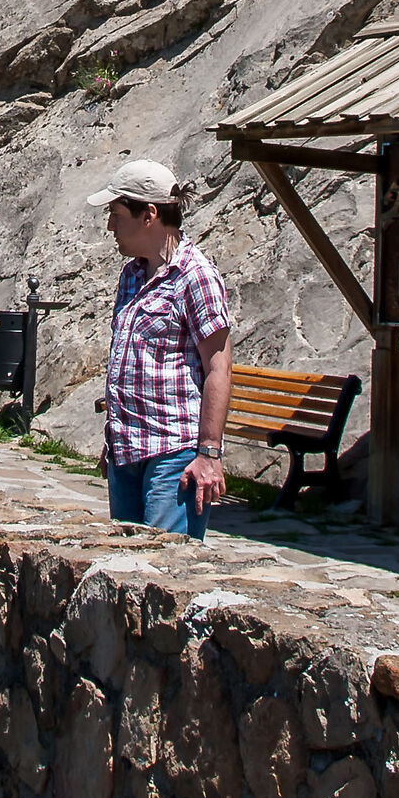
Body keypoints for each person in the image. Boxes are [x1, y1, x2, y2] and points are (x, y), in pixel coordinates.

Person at [88, 159, 231, 537]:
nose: (110, 226)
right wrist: (115, 436)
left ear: (149, 214)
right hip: (126, 453)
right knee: (124, 574)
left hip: (174, 455)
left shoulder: (196, 276)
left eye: (116, 214)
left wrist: (209, 455)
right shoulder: (132, 274)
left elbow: (219, 369)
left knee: (161, 571)